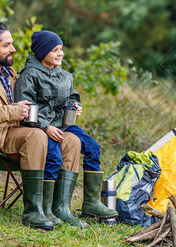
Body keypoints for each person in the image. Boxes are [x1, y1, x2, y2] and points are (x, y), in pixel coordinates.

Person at [0, 21, 81, 231]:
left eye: (11, 44)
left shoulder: (10, 73)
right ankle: (33, 211)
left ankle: (58, 208)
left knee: (71, 140)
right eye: (6, 45)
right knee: (36, 137)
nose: (13, 49)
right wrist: (12, 111)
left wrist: (68, 107)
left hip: (16, 132)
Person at [14, 30, 118, 227]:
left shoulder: (65, 76)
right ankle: (47, 210)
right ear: (41, 52)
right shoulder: (29, 75)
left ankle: (91, 203)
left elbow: (71, 97)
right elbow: (26, 108)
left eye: (61, 49)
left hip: (65, 124)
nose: (60, 53)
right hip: (41, 128)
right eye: (54, 50)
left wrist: (75, 107)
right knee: (54, 158)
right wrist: (45, 128)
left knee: (93, 147)